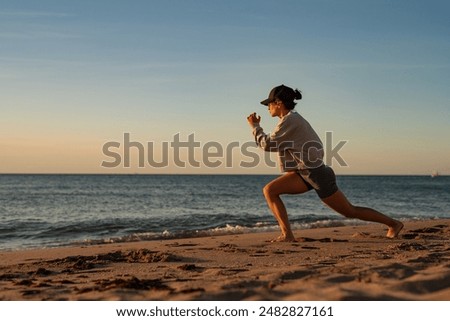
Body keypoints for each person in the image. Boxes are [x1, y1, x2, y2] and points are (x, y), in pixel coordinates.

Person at [247, 84, 404, 242]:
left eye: (269, 103)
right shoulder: (290, 120)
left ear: (279, 103)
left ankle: (393, 224)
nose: (267, 107)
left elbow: (267, 144)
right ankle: (287, 234)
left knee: (349, 211)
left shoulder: (290, 120)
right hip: (304, 173)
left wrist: (255, 126)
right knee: (270, 190)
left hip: (316, 174)